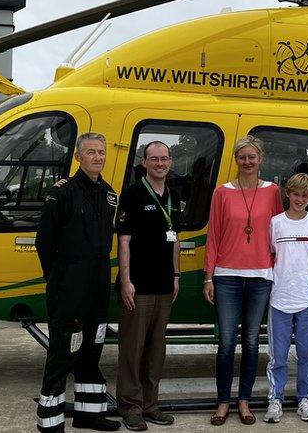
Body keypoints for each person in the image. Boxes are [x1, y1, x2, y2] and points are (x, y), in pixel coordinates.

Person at [35, 132, 121, 432]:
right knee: (62, 353)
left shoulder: (109, 194)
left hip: (97, 285)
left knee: (92, 348)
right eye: (91, 152)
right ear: (78, 156)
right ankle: (50, 422)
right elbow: (43, 242)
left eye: (101, 152)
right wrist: (59, 278)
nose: (97, 157)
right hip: (68, 286)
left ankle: (89, 414)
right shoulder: (61, 193)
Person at [204, 135, 284, 426]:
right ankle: (223, 401)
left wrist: (276, 268)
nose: (247, 162)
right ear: (236, 160)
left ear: (260, 159)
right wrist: (208, 276)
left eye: (252, 157)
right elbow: (213, 236)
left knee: (251, 342)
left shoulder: (272, 191)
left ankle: (244, 401)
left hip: (261, 276)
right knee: (226, 343)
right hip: (227, 276)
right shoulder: (222, 193)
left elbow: (278, 232)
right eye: (242, 157)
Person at [116, 141, 181, 431]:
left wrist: (176, 276)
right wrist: (126, 281)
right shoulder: (131, 195)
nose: (159, 163)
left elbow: (175, 237)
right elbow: (124, 241)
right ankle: (130, 406)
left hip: (164, 284)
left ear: (170, 162)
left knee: (156, 350)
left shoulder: (172, 195)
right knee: (133, 348)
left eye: (164, 159)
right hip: (138, 286)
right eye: (153, 159)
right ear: (144, 162)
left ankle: (150, 404)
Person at [263, 173, 308, 424]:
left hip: (307, 296)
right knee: (277, 354)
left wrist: (305, 279)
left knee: (307, 352)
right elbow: (270, 254)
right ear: (287, 193)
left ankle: (304, 399)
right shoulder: (275, 223)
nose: (300, 199)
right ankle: (275, 399)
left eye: (305, 195)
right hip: (280, 297)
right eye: (296, 194)